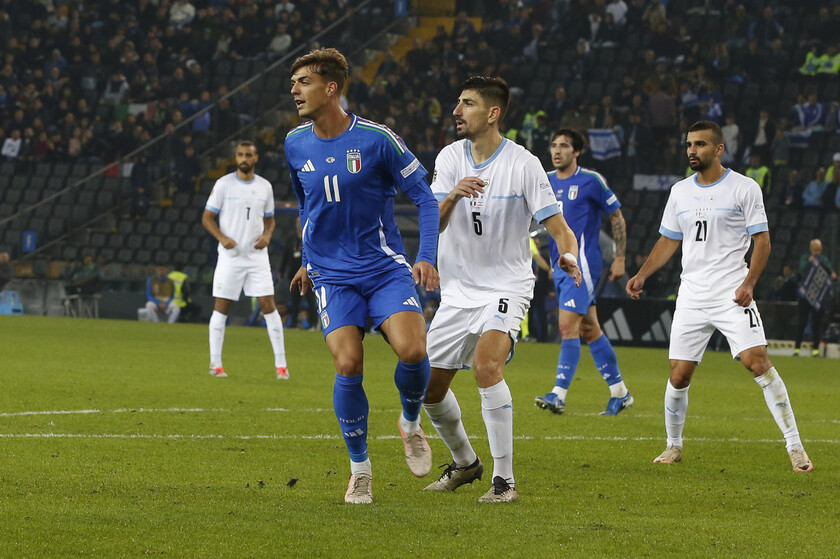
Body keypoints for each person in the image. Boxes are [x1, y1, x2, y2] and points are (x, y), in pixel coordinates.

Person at [285, 48, 440, 504]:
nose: (294, 90)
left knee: (413, 350)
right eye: (293, 83)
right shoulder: (295, 143)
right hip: (331, 274)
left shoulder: (377, 140)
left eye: (303, 82)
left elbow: (427, 200)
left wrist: (426, 255)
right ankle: (360, 470)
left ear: (330, 88)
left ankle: (410, 423)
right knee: (348, 363)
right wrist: (306, 258)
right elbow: (305, 206)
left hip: (382, 266)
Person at [421, 76, 581, 503]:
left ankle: (504, 481)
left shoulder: (524, 165)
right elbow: (430, 223)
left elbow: (561, 230)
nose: (457, 111)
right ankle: (465, 463)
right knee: (428, 388)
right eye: (458, 102)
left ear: (492, 114)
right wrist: (453, 195)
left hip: (506, 285)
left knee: (486, 366)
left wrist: (570, 257)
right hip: (458, 292)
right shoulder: (450, 158)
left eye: (467, 104)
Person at [626, 120, 813, 473]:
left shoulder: (744, 188)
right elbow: (669, 240)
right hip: (692, 296)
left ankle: (795, 446)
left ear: (718, 149)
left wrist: (750, 283)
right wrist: (642, 274)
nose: (691, 151)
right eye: (688, 145)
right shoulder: (680, 191)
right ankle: (673, 445)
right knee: (679, 375)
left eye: (699, 145)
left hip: (732, 292)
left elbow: (763, 241)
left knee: (756, 361)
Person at [534, 129, 633, 416]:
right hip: (559, 265)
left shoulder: (592, 181)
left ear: (576, 151)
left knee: (567, 326)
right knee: (590, 328)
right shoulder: (546, 182)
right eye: (554, 144)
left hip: (584, 265)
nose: (557, 150)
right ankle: (620, 393)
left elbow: (616, 217)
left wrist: (620, 258)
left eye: (564, 146)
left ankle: (558, 394)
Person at [202, 140, 289, 380]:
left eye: (248, 155)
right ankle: (215, 364)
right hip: (230, 257)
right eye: (240, 154)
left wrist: (267, 235)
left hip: (257, 257)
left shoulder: (265, 187)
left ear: (255, 158)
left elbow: (270, 219)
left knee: (268, 306)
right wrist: (222, 237)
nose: (244, 159)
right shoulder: (223, 185)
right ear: (236, 157)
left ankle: (281, 366)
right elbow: (207, 218)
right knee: (221, 308)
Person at [793, 239, 837, 357]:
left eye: (819, 247)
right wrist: (809, 262)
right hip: (805, 296)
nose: (818, 249)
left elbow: (832, 273)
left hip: (818, 297)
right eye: (815, 246)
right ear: (811, 247)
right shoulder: (805, 258)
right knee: (802, 322)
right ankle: (797, 349)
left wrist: (831, 273)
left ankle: (816, 351)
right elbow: (801, 271)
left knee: (817, 323)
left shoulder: (824, 260)